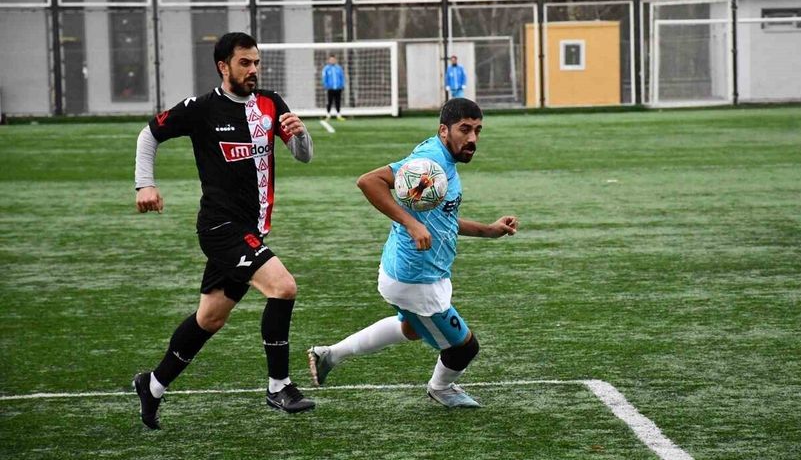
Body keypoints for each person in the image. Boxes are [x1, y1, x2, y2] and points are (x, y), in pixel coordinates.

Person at [132, 32, 316, 430]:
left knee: (210, 318)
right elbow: (149, 134)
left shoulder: (270, 103)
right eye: (244, 63)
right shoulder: (201, 109)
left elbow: (302, 156)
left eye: (256, 63)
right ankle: (279, 386)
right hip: (220, 227)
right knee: (283, 287)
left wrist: (301, 135)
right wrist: (144, 184)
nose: (253, 70)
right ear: (223, 66)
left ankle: (153, 384)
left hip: (252, 231)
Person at [307, 98, 518, 408]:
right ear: (444, 130)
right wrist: (410, 223)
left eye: (477, 130)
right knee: (464, 348)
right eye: (465, 130)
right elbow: (369, 182)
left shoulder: (442, 160)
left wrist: (488, 230)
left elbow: (442, 219)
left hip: (410, 271)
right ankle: (440, 388)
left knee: (410, 328)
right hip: (416, 279)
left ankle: (330, 355)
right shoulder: (430, 161)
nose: (473, 138)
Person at [321, 54, 345, 123]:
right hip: (330, 88)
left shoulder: (339, 68)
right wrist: (326, 85)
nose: (332, 61)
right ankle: (328, 115)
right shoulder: (326, 68)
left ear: (335, 60)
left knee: (338, 101)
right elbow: (324, 78)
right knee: (329, 102)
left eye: (333, 59)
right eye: (331, 60)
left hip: (338, 88)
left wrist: (342, 85)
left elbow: (342, 77)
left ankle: (338, 115)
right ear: (329, 60)